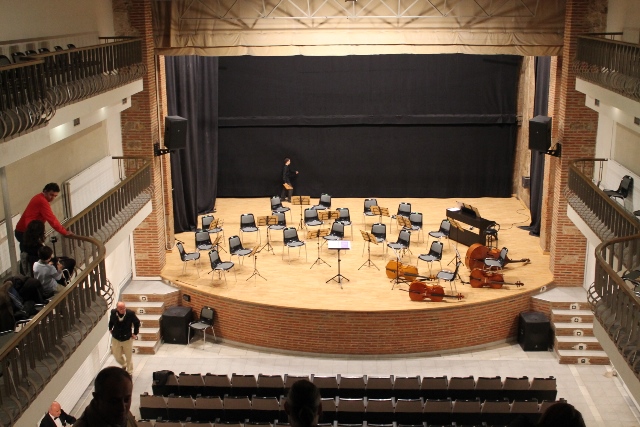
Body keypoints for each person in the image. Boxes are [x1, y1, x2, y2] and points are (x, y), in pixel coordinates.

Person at [73, 366, 138, 427]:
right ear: (97, 398)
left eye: (126, 399)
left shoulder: (120, 415)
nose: (122, 408)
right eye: (114, 401)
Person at [109, 302, 140, 375]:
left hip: (127, 338)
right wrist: (110, 328)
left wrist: (135, 333)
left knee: (129, 356)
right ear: (117, 309)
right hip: (116, 337)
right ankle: (124, 364)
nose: (123, 310)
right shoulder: (113, 312)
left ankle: (129, 372)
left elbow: (137, 322)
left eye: (124, 308)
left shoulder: (130, 313)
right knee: (117, 355)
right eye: (121, 309)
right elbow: (111, 321)